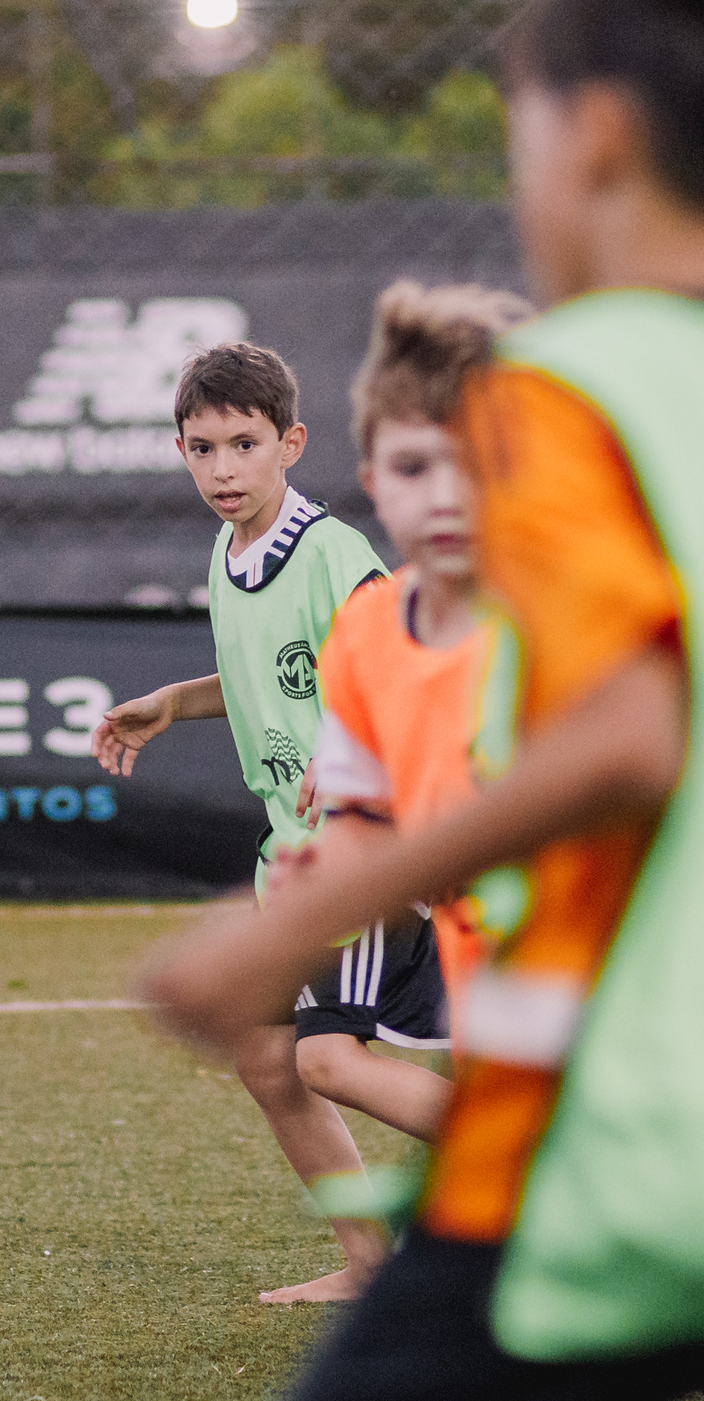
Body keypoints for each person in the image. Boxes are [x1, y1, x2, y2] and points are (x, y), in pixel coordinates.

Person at [137, 0, 704, 1400]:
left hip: (600, 1136)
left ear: (597, 137)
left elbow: (631, 733)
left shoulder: (575, 387)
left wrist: (281, 933)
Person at [92, 341, 452, 1305]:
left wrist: (360, 755)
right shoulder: (229, 552)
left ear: (290, 444)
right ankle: (370, 1266)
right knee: (267, 1061)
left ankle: (546, 1161)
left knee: (327, 1058)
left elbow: (405, 666)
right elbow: (266, 674)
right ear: (180, 452)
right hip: (291, 855)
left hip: (359, 854)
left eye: (244, 445)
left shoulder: (331, 554)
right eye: (203, 449)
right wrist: (175, 702)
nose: (224, 469)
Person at [299, 280, 532, 1062]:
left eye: (478, 461)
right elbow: (359, 825)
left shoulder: (580, 617)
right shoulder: (364, 634)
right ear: (371, 480)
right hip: (503, 1006)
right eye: (411, 466)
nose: (445, 497)